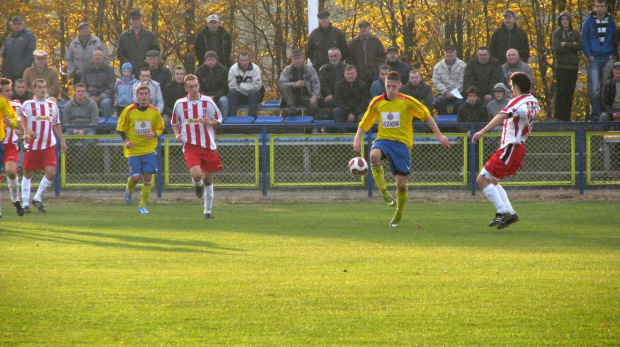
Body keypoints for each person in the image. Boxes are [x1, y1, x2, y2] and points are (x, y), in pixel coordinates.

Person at [353, 71, 451, 227]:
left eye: (393, 86)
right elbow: (366, 120)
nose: (390, 89)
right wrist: (357, 137)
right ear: (384, 85)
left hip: (402, 145)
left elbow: (427, 116)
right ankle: (384, 192)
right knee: (373, 155)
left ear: (399, 86)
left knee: (401, 185)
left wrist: (439, 136)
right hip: (384, 140)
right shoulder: (377, 102)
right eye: (387, 86)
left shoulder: (408, 102)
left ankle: (399, 211)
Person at [471, 72, 539, 229]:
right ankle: (510, 212)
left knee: (481, 180)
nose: (510, 88)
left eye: (511, 84)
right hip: (518, 147)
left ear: (516, 86)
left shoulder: (517, 102)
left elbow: (500, 117)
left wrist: (482, 131)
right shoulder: (533, 101)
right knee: (492, 181)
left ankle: (502, 212)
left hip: (510, 147)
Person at [171, 75, 224, 220]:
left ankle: (207, 211)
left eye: (196, 86)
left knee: (208, 180)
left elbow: (219, 120)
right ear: (186, 88)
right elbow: (174, 122)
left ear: (198, 86)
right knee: (196, 175)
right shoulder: (180, 104)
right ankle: (197, 185)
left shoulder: (207, 101)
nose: (194, 89)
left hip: (207, 145)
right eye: (191, 87)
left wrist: (210, 122)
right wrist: (177, 134)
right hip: (190, 145)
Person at [20, 79, 67, 214]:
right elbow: (22, 119)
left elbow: (56, 123)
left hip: (48, 144)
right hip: (32, 145)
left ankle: (37, 197)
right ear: (34, 89)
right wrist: (27, 131)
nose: (42, 89)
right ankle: (24, 202)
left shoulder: (52, 106)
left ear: (47, 89)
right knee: (28, 173)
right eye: (39, 87)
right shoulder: (28, 104)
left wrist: (62, 141)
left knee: (51, 173)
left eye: (44, 87)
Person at [117, 85, 164, 214]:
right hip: (133, 151)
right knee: (136, 178)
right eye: (141, 94)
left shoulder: (154, 111)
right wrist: (126, 141)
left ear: (150, 96)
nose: (143, 96)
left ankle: (142, 206)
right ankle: (129, 190)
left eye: (146, 94)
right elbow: (120, 128)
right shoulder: (128, 110)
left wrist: (154, 134)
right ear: (137, 96)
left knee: (148, 178)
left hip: (148, 149)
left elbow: (161, 128)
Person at [582, 0, 617, 121]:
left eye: (602, 6)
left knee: (605, 88)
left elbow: (615, 39)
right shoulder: (588, 21)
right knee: (594, 89)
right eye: (598, 6)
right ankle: (596, 115)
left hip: (607, 58)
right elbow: (584, 38)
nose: (600, 9)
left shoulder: (611, 22)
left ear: (606, 7)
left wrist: (612, 55)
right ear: (594, 7)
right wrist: (589, 55)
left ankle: (605, 115)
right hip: (594, 58)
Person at [552, 11, 582, 122]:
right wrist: (571, 45)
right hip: (561, 66)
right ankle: (558, 116)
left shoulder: (575, 33)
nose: (564, 21)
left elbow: (579, 46)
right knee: (561, 91)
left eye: (566, 19)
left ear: (570, 20)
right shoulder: (556, 33)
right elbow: (557, 48)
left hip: (573, 67)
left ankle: (566, 117)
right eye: (562, 19)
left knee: (570, 92)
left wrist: (565, 44)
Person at [0, 78, 22, 216]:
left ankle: (15, 199)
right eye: (7, 90)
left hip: (10, 144)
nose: (10, 93)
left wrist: (12, 122)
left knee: (11, 171)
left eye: (10, 90)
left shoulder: (16, 105)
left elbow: (19, 123)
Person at [117, 9, 160, 78]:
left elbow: (156, 50)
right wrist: (128, 64)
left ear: (141, 19)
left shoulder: (150, 35)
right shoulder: (124, 36)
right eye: (133, 19)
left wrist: (148, 60)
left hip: (146, 72)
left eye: (137, 19)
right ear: (130, 20)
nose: (135, 21)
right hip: (129, 72)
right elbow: (120, 53)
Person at [278, 49, 320, 116]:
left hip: (306, 96)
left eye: (299, 58)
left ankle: (309, 124)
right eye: (295, 59)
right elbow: (281, 84)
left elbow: (316, 85)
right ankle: (292, 108)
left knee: (314, 106)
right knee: (284, 88)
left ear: (302, 59)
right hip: (291, 97)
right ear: (292, 60)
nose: (297, 61)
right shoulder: (287, 70)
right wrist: (294, 85)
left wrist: (314, 97)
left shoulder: (310, 70)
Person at [347, 21, 386, 87]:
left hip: (373, 74)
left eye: (365, 27)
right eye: (361, 28)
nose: (363, 29)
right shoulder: (354, 42)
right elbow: (349, 58)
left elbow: (382, 56)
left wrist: (376, 67)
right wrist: (355, 69)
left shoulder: (375, 41)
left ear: (369, 28)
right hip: (358, 75)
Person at [432, 43, 466, 115]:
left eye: (451, 52)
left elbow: (462, 81)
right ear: (444, 53)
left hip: (458, 94)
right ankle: (444, 123)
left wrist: (453, 93)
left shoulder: (462, 65)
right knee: (437, 103)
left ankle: (456, 123)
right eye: (447, 52)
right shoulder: (438, 66)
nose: (449, 54)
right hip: (443, 94)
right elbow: (436, 82)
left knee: (461, 104)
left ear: (455, 52)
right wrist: (445, 92)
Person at [81, 50, 116, 120]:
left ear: (103, 58)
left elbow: (111, 88)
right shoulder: (86, 70)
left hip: (105, 96)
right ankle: (88, 125)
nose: (97, 57)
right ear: (92, 58)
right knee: (85, 101)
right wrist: (89, 96)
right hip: (90, 95)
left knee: (105, 103)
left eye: (99, 55)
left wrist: (100, 97)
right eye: (95, 55)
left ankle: (107, 126)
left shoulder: (109, 70)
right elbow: (83, 86)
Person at [227, 51, 263, 118]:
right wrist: (247, 88)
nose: (244, 62)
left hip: (253, 96)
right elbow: (232, 87)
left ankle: (252, 119)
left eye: (246, 60)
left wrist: (240, 85)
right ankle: (231, 118)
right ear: (238, 60)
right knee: (232, 93)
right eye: (242, 60)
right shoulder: (233, 69)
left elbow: (257, 86)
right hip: (239, 96)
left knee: (253, 92)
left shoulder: (255, 69)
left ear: (249, 60)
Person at [1, 16, 36, 82]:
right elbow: (4, 55)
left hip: (21, 73)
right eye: (15, 24)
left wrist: (22, 68)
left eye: (19, 24)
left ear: (23, 25)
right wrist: (3, 69)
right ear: (12, 25)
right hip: (8, 73)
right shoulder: (9, 38)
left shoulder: (28, 36)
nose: (17, 26)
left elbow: (31, 54)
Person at [195, 51, 229, 119]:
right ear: (205, 61)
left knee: (224, 101)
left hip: (219, 95)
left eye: (213, 59)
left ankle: (223, 123)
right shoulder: (199, 71)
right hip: (203, 95)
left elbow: (225, 88)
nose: (211, 61)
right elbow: (198, 87)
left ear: (216, 60)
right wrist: (206, 96)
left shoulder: (223, 70)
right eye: (208, 59)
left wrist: (214, 96)